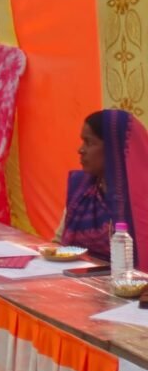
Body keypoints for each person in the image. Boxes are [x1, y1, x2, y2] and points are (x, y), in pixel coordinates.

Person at [57, 110, 148, 270]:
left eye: (89, 142)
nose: (81, 150)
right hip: (80, 279)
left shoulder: (141, 198)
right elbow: (58, 242)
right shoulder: (82, 190)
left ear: (114, 149)